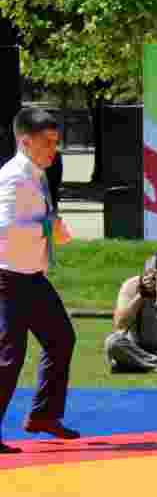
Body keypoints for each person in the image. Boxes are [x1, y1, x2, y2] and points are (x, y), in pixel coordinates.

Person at [0, 107, 79, 453]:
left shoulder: (37, 173)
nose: (54, 149)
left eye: (56, 142)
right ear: (25, 141)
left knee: (61, 338)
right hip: (7, 278)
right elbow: (4, 230)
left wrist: (53, 226)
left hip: (31, 276)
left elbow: (37, 219)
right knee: (8, 356)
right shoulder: (13, 177)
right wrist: (47, 227)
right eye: (47, 143)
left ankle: (44, 416)